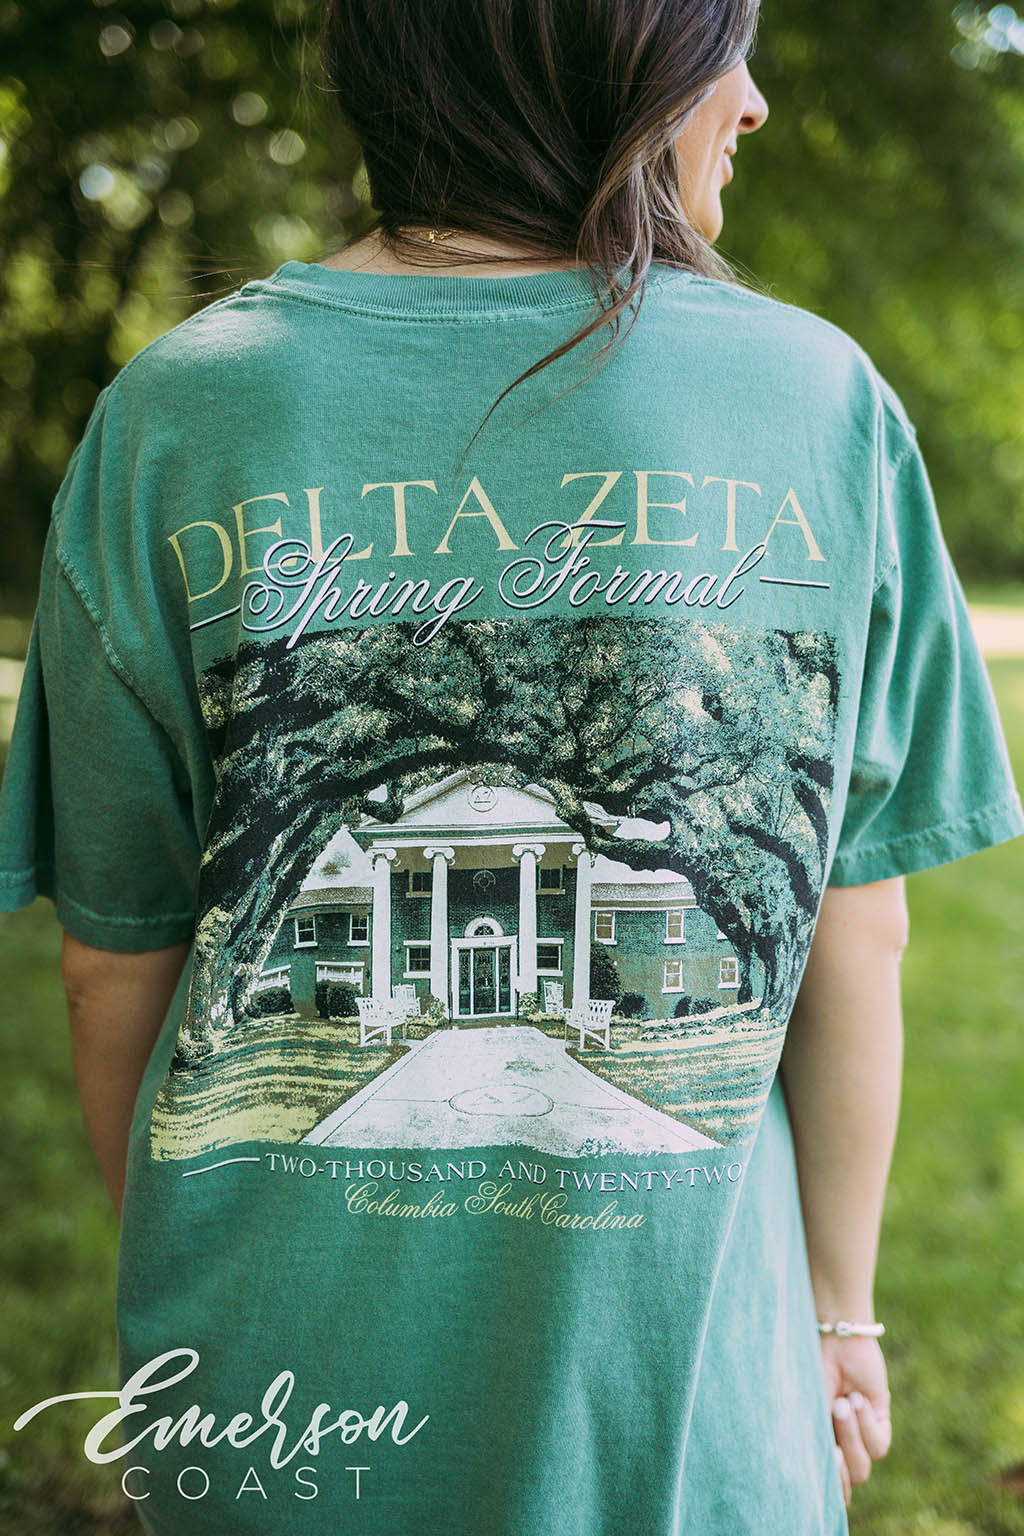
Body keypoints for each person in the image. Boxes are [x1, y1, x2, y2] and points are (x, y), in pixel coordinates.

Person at [1, 1, 1021, 1532]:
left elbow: (114, 954)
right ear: (605, 52)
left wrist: (194, 1288)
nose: (749, 101)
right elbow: (851, 930)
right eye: (721, 45)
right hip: (691, 1404)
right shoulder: (821, 406)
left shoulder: (179, 408)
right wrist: (837, 1314)